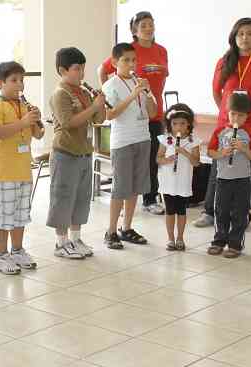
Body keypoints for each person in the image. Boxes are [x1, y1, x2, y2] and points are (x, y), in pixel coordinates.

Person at [195, 17, 251, 228]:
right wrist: (225, 114)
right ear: (234, 37)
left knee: (248, 171)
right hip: (226, 125)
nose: (245, 38)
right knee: (219, 166)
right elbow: (217, 92)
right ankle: (210, 211)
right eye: (241, 34)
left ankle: (242, 213)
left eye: (250, 33)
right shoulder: (225, 61)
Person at [99, 11, 169, 215]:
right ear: (135, 30)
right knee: (126, 166)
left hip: (150, 110)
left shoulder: (162, 50)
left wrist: (149, 96)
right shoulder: (129, 50)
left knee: (151, 158)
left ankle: (150, 199)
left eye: (151, 24)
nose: (148, 28)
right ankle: (120, 210)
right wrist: (111, 95)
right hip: (127, 118)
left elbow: (162, 78)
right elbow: (102, 71)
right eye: (143, 25)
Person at [0, 61, 44, 274]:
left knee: (20, 214)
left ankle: (17, 250)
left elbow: (39, 134)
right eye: (14, 80)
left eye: (22, 80)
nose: (20, 85)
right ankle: (1, 255)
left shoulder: (24, 105)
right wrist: (23, 121)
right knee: (2, 214)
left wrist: (34, 120)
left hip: (22, 169)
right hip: (2, 171)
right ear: (0, 83)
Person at [48, 47, 107, 259]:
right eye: (76, 68)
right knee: (63, 197)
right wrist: (93, 108)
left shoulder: (82, 92)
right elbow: (68, 122)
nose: (81, 73)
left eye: (83, 68)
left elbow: (98, 120)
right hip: (65, 153)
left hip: (84, 152)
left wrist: (99, 104)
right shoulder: (60, 94)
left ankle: (75, 238)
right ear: (62, 70)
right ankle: (61, 242)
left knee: (81, 198)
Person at [102, 42, 157, 248]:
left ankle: (126, 228)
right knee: (120, 188)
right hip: (122, 141)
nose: (131, 64)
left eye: (134, 60)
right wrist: (133, 95)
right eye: (126, 60)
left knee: (135, 187)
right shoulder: (111, 85)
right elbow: (109, 114)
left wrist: (148, 92)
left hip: (142, 138)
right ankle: (110, 231)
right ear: (115, 62)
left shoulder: (140, 82)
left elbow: (152, 113)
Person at [206, 93, 251, 258]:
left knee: (240, 212)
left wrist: (244, 149)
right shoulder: (220, 131)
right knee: (220, 211)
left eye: (241, 115)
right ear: (227, 112)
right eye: (233, 114)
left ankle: (235, 243)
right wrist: (222, 153)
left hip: (243, 180)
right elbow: (210, 152)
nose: (236, 118)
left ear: (247, 116)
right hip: (223, 179)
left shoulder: (250, 132)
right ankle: (219, 241)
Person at [155, 103, 201, 251]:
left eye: (182, 123)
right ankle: (170, 239)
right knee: (169, 210)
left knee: (181, 211)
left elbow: (196, 162)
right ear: (170, 124)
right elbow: (158, 158)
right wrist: (168, 160)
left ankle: (180, 238)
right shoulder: (165, 139)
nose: (179, 127)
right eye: (175, 124)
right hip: (168, 181)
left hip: (183, 181)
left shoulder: (193, 141)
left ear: (189, 124)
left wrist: (184, 152)